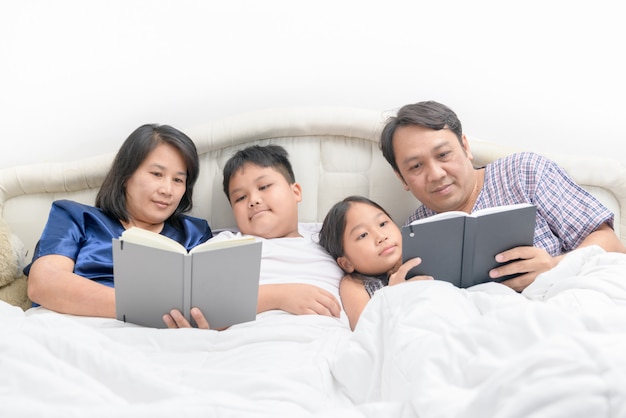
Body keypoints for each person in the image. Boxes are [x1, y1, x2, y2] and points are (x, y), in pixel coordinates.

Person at [379, 100, 626, 292]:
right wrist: (398, 295)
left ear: (465, 147)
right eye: (415, 167)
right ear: (402, 179)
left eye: (443, 154)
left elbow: (612, 244)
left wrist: (556, 266)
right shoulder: (414, 233)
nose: (435, 174)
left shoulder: (524, 171)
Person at [25, 124, 213, 318]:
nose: (167, 190)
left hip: (164, 339)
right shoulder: (76, 217)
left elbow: (214, 302)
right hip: (80, 329)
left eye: (178, 180)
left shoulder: (194, 233)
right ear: (126, 175)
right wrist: (146, 308)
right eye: (157, 174)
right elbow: (44, 283)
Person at [163, 144, 344, 329]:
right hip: (248, 338)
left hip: (326, 334)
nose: (253, 200)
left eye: (264, 187)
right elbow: (199, 305)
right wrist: (279, 296)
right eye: (240, 198)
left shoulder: (329, 236)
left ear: (295, 192)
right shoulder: (227, 243)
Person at [318, 195, 431, 330]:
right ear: (346, 263)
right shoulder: (354, 284)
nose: (381, 237)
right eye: (363, 235)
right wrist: (394, 294)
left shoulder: (422, 253)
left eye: (383, 224)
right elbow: (365, 329)